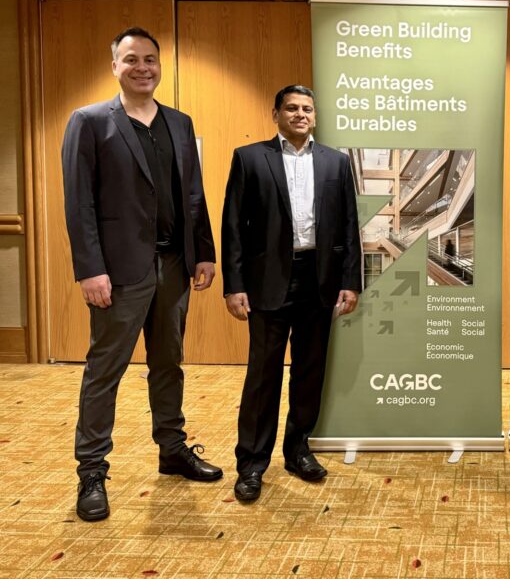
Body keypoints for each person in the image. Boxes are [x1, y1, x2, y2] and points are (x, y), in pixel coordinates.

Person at [62, 27, 222, 523]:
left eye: (150, 59)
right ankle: (92, 472)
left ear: (159, 65)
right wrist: (91, 269)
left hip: (174, 265)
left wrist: (203, 253)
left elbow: (193, 195)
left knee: (169, 363)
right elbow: (79, 203)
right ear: (115, 66)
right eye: (131, 59)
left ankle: (172, 449)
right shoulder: (89, 122)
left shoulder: (178, 122)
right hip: (120, 272)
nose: (142, 67)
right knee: (104, 371)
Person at [222, 84, 362, 502]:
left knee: (309, 372)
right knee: (262, 377)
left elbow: (349, 227)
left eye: (306, 109)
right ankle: (251, 463)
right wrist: (235, 284)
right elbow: (232, 226)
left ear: (314, 116)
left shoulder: (336, 162)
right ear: (276, 114)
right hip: (268, 281)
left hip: (319, 280)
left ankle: (298, 449)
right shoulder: (249, 158)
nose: (300, 114)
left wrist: (350, 281)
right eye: (291, 108)